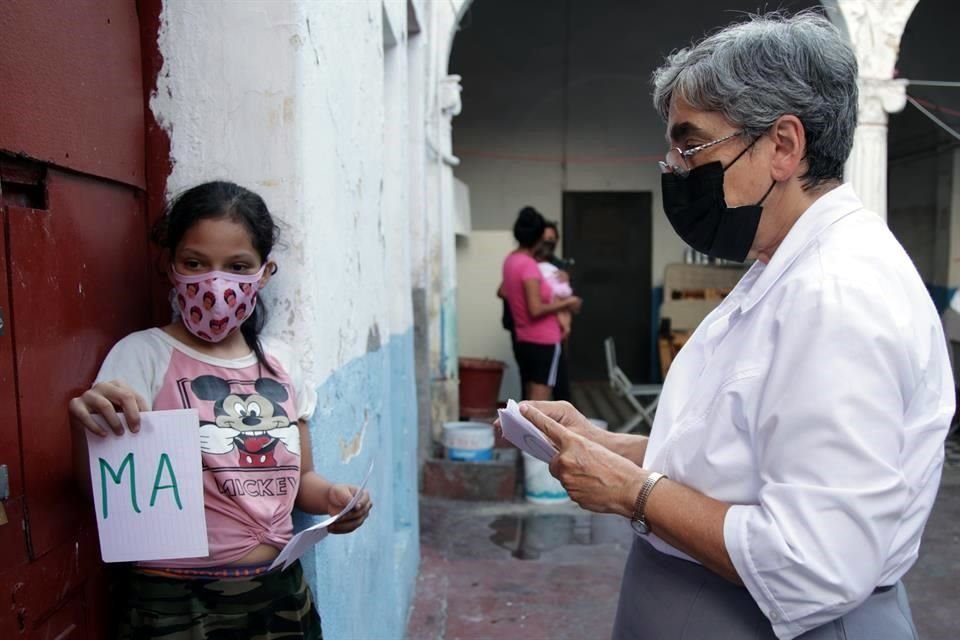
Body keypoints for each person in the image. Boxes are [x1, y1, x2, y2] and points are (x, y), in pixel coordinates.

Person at [511, 12, 953, 640]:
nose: (671, 167)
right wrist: (603, 443)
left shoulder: (836, 296)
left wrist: (632, 493)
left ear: (783, 146)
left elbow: (814, 561)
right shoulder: (781, 264)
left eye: (690, 147)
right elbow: (729, 451)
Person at [69, 181, 373, 639]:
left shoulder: (280, 363)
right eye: (195, 263)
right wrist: (87, 429)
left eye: (237, 266)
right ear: (169, 266)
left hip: (280, 596)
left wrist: (332, 499)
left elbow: (301, 483)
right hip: (173, 604)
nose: (215, 283)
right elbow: (107, 490)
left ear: (265, 272)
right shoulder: (142, 356)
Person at [501, 206, 581, 401]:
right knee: (538, 407)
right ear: (538, 238)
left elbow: (504, 291)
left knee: (528, 403)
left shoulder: (510, 260)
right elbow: (535, 309)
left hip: (524, 338)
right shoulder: (528, 265)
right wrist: (567, 302)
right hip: (543, 342)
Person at [536, 221, 573, 402]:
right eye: (545, 239)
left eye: (552, 239)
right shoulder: (529, 263)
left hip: (554, 333)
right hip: (537, 333)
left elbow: (569, 298)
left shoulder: (558, 265)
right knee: (536, 388)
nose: (548, 243)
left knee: (558, 382)